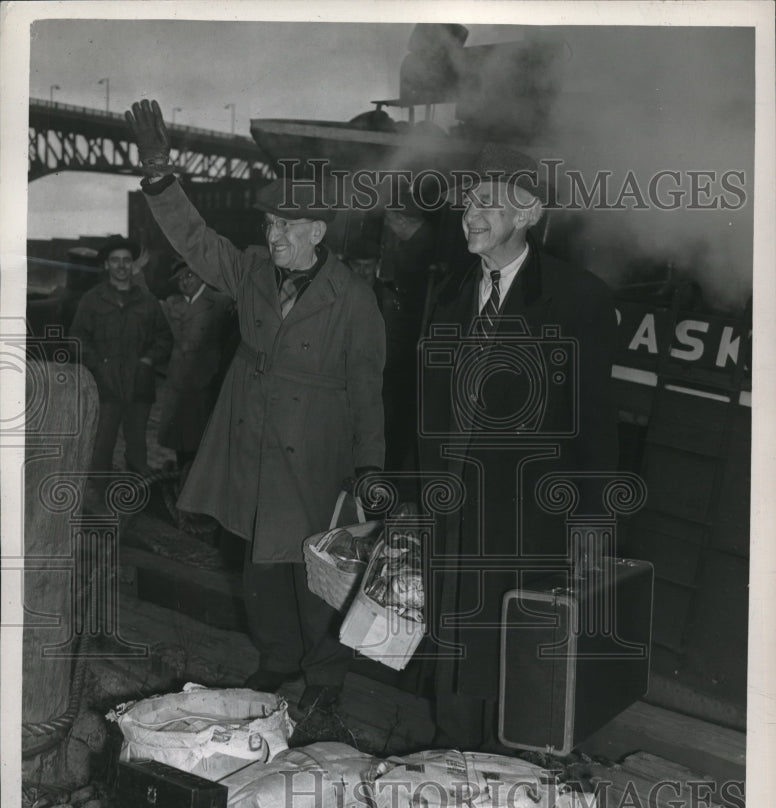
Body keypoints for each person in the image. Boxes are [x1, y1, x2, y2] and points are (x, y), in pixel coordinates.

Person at [125, 99, 386, 712]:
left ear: (316, 231)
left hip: (317, 450)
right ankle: (277, 657)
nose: (272, 237)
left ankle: (325, 676)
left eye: (286, 227)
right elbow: (195, 240)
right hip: (253, 438)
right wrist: (160, 174)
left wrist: (370, 467)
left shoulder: (353, 300)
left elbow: (367, 390)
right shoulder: (248, 271)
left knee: (319, 572)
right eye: (269, 225)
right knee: (258, 564)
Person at [418, 144, 619, 750]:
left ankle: (511, 783)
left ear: (528, 213)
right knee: (454, 665)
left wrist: (591, 530)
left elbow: (595, 427)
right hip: (453, 517)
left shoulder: (577, 297)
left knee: (517, 668)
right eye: (467, 201)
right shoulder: (449, 290)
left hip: (531, 525)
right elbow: (424, 412)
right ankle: (453, 768)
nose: (468, 213)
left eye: (486, 202)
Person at [69, 234, 172, 478]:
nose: (122, 265)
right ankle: (98, 495)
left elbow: (165, 339)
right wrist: (98, 364)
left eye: (126, 260)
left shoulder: (148, 302)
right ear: (106, 265)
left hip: (139, 384)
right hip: (105, 385)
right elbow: (77, 339)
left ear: (133, 264)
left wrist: (148, 360)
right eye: (115, 260)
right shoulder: (92, 300)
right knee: (102, 445)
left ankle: (137, 498)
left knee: (137, 445)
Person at [158, 260, 235, 474]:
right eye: (180, 279)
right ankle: (181, 480)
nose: (184, 281)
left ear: (201, 275)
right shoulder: (172, 303)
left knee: (200, 439)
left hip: (204, 383)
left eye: (189, 275)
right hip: (177, 382)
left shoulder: (220, 302)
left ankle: (194, 483)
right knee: (180, 440)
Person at [380, 191, 438, 472]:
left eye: (389, 220)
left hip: (410, 344)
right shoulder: (418, 242)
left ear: (400, 219)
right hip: (406, 341)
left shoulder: (421, 249)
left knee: (397, 408)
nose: (388, 227)